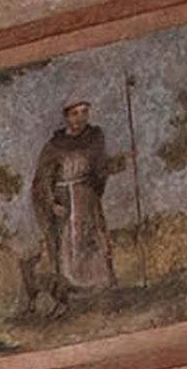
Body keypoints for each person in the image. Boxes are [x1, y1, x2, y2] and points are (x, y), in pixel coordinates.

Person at [28, 99, 125, 311]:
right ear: (66, 117)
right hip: (65, 200)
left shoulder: (94, 138)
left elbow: (99, 168)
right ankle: (70, 290)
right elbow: (42, 179)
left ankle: (98, 286)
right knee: (68, 242)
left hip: (87, 197)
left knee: (91, 238)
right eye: (75, 114)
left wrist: (114, 165)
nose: (80, 118)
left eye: (84, 113)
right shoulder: (54, 146)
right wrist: (51, 202)